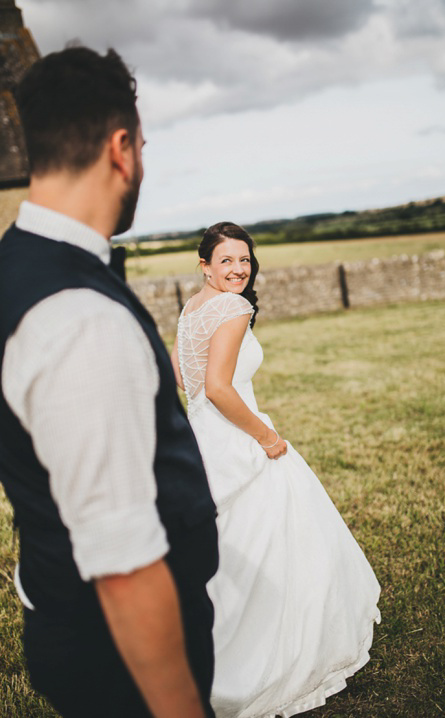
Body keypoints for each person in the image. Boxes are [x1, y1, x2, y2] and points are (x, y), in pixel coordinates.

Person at [0, 47, 218, 717]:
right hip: (118, 664)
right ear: (121, 149)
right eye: (144, 145)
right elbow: (123, 562)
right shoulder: (79, 319)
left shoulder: (15, 271)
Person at [172, 221, 381, 718]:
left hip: (204, 442)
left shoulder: (192, 307)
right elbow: (221, 388)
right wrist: (266, 437)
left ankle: (209, 655)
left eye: (244, 260)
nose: (238, 269)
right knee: (279, 541)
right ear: (205, 265)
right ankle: (278, 656)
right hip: (241, 440)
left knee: (225, 552)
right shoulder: (235, 307)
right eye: (226, 260)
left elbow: (184, 375)